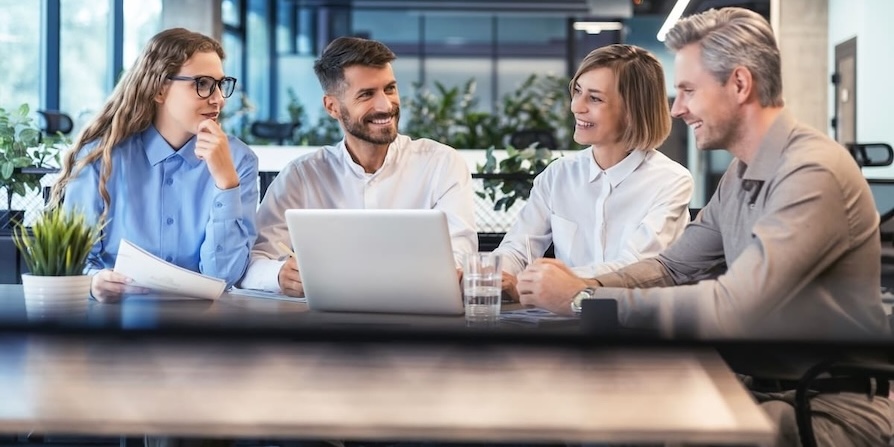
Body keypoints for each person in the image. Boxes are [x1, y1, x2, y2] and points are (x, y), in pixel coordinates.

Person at [517, 7, 892, 446]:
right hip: (757, 387)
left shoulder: (812, 172)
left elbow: (735, 307)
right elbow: (671, 268)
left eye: (688, 91)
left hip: (823, 405)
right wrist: (581, 285)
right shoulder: (740, 173)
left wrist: (584, 299)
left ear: (739, 84)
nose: (676, 110)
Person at [238, 36, 477, 296]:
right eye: (366, 94)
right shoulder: (302, 176)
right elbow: (252, 261)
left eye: (390, 89)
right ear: (332, 107)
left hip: (418, 321)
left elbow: (460, 257)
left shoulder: (441, 164)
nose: (386, 105)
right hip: (327, 327)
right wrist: (279, 275)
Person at [51, 28, 259, 302]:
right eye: (203, 83)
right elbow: (71, 264)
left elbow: (222, 276)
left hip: (203, 327)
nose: (218, 98)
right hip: (115, 322)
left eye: (221, 84)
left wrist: (226, 183)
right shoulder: (100, 157)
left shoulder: (239, 160)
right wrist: (94, 283)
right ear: (160, 89)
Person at [492, 44, 693, 301]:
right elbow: (518, 250)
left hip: (634, 326)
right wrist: (493, 274)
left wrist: (553, 282)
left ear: (633, 110)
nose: (577, 106)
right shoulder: (558, 176)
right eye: (577, 91)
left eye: (595, 98)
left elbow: (633, 270)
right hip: (563, 324)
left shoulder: (670, 181)